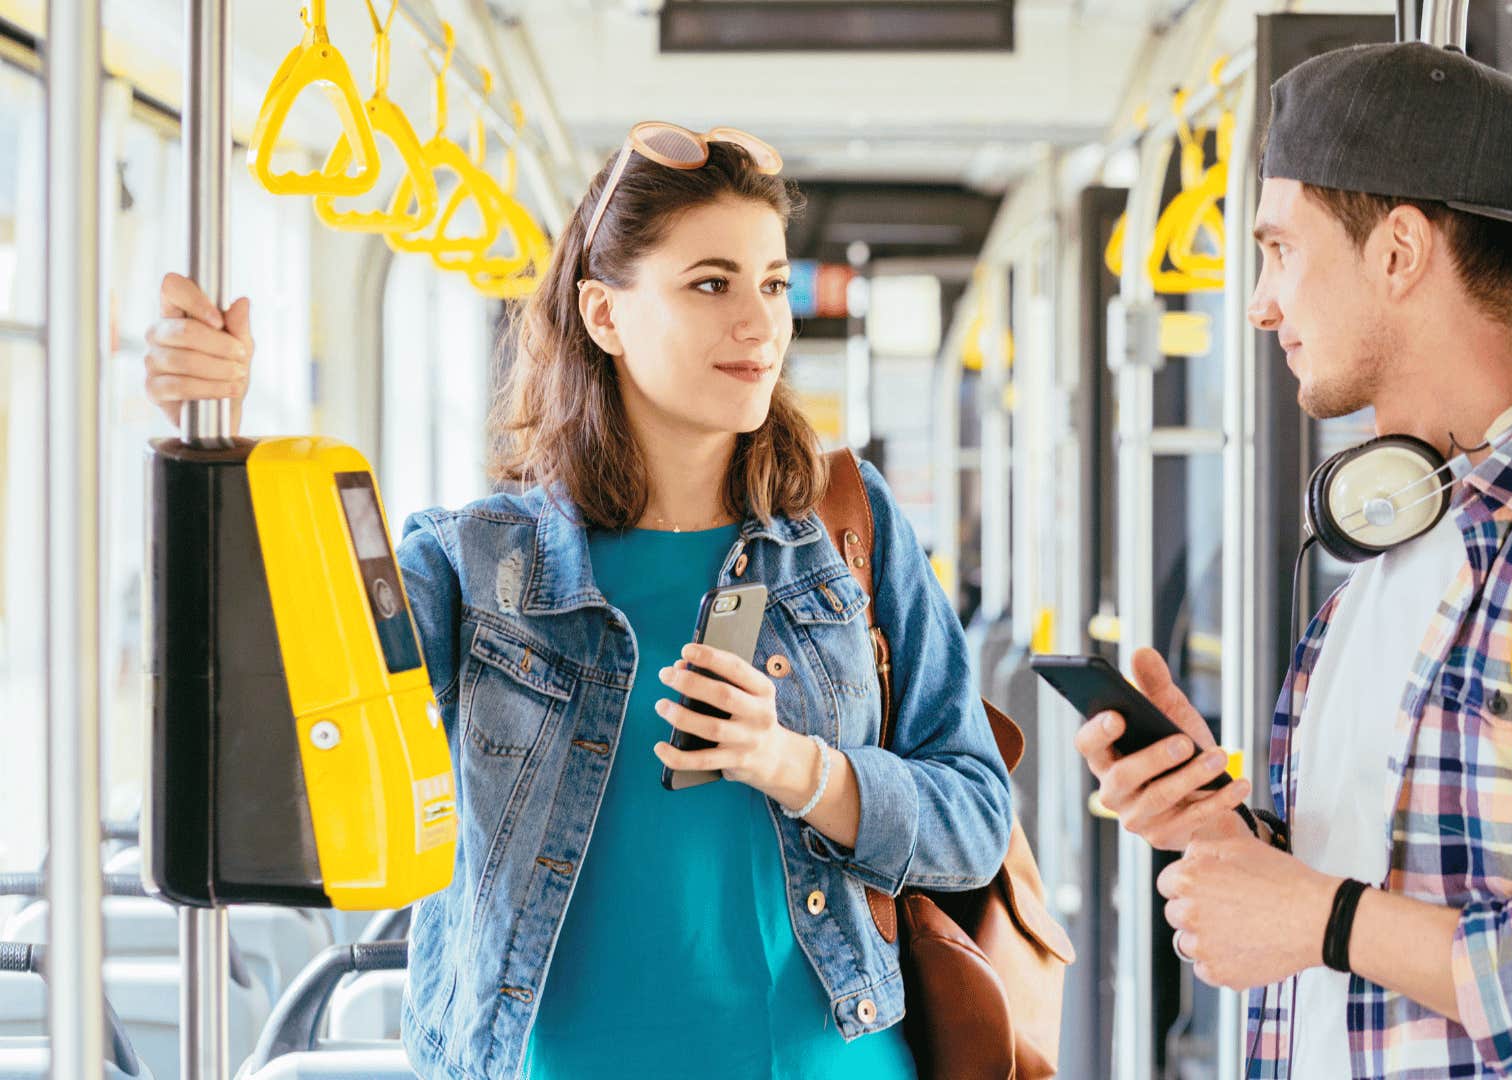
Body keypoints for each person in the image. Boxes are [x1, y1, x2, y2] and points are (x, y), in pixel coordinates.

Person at [142, 123, 1012, 1079]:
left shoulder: (848, 531)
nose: (761, 324)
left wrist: (798, 766)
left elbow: (974, 821)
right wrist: (221, 441)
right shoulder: (476, 566)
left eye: (771, 283)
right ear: (604, 315)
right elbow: (280, 690)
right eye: (711, 284)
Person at [1074, 43, 1512, 1077]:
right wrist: (1222, 827)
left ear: (1397, 252)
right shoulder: (1395, 546)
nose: (1261, 304)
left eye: (1280, 251)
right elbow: (1389, 883)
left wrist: (1328, 921)